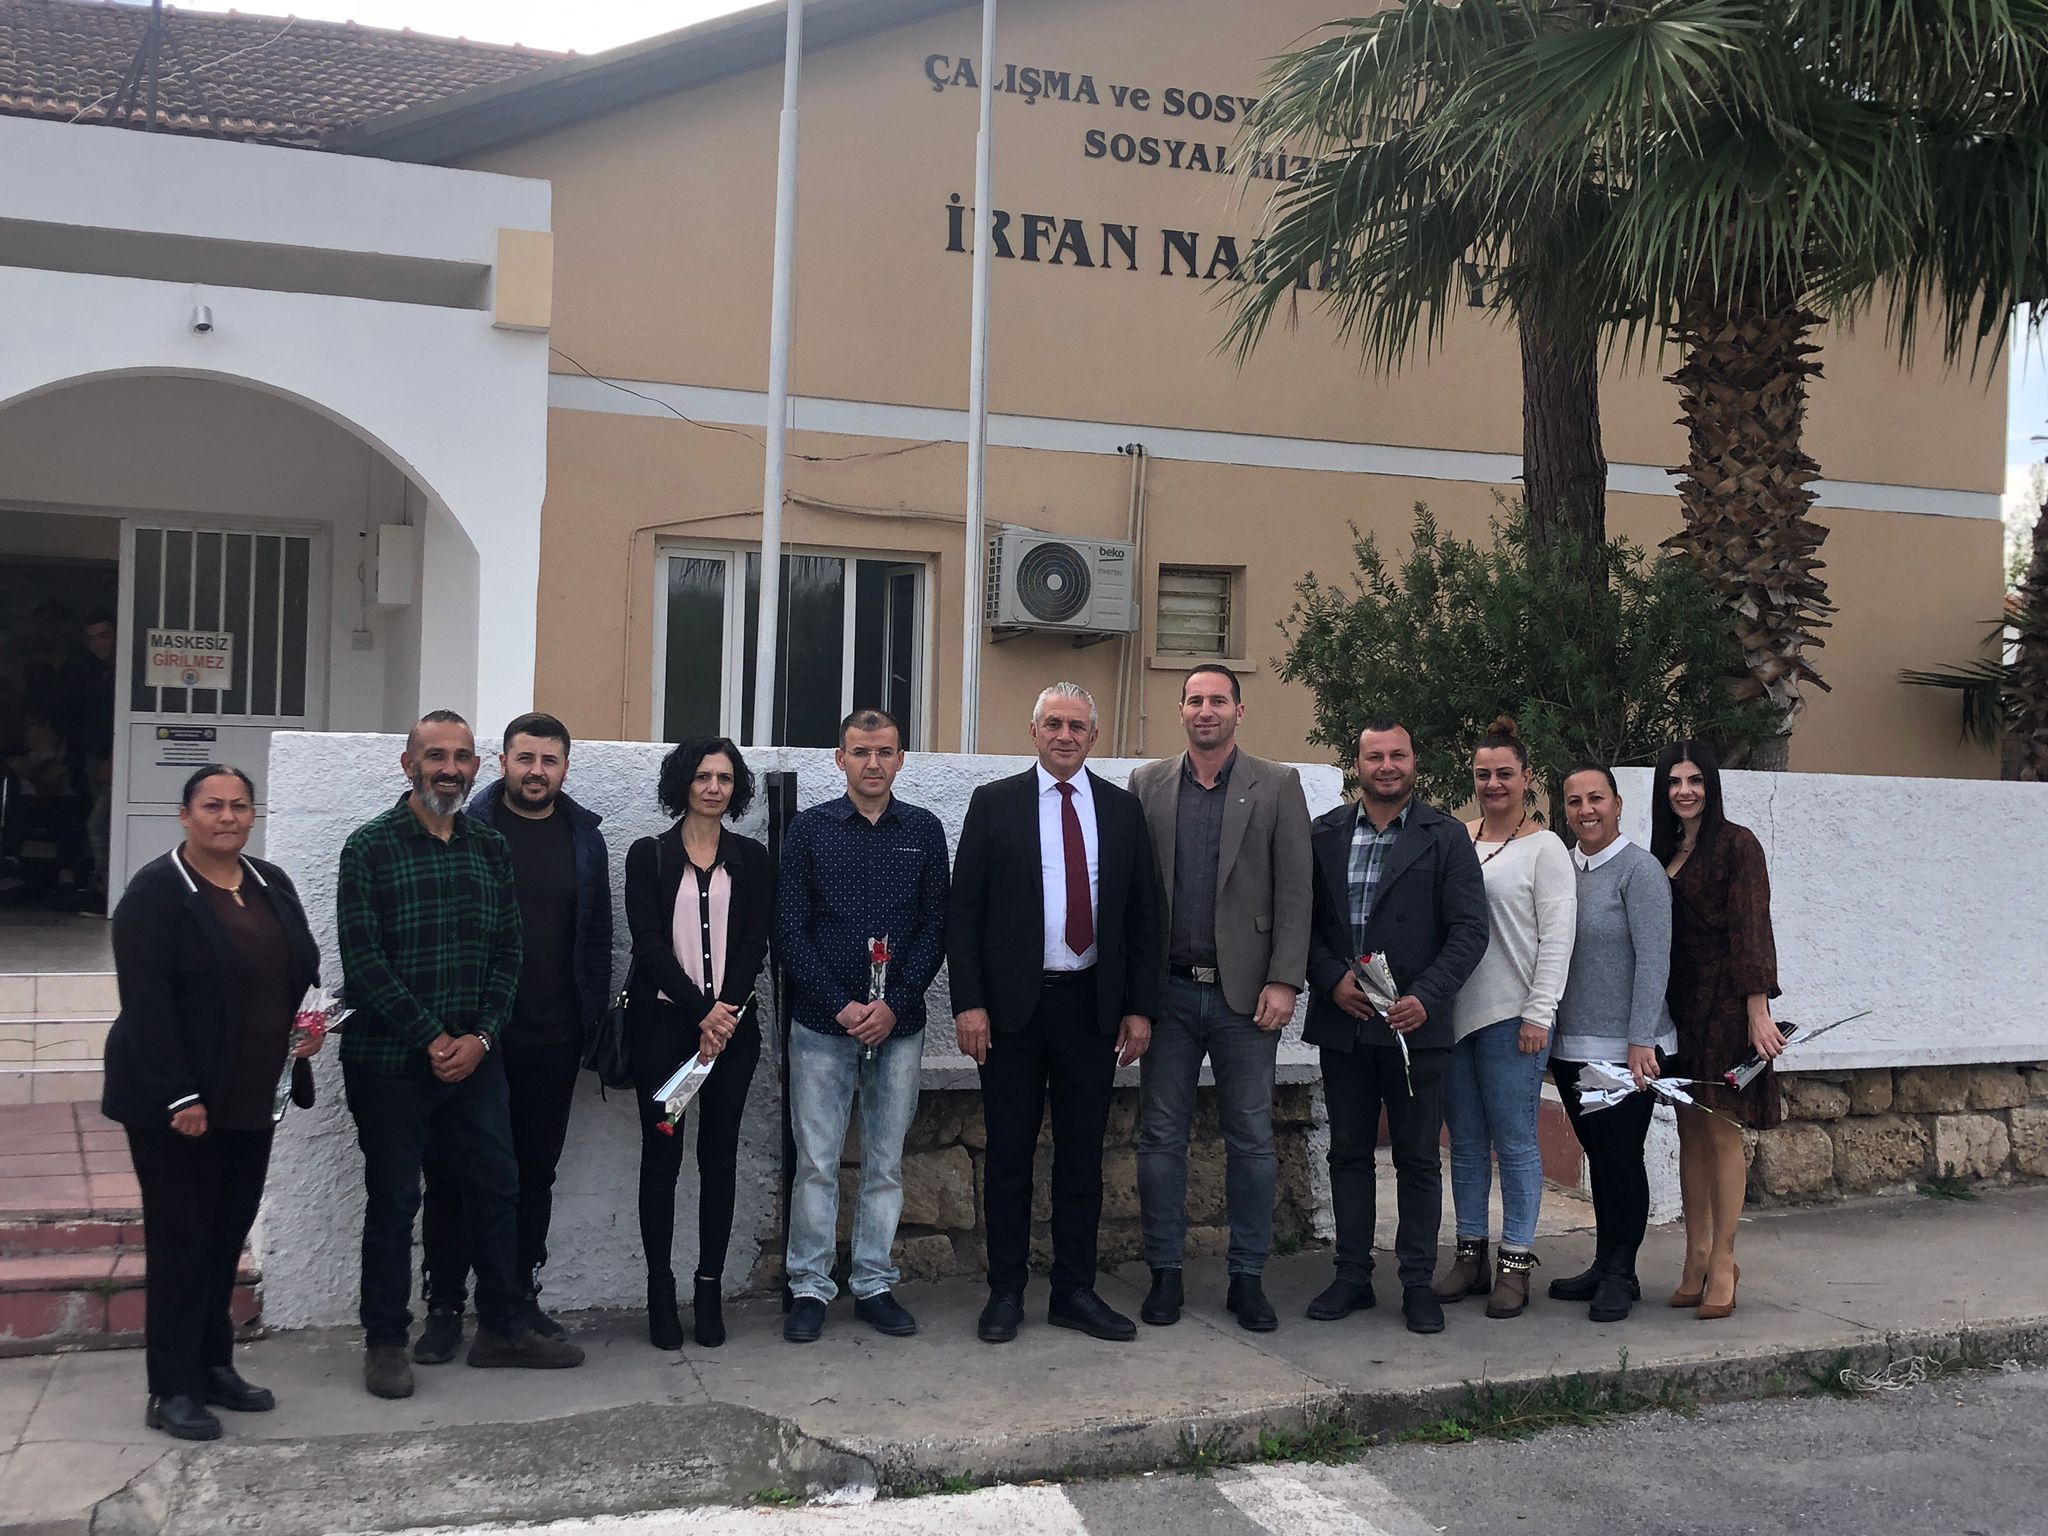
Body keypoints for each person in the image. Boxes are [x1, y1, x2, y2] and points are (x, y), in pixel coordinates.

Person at [338, 710, 585, 1400]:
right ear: (409, 764)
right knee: (395, 1201)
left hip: (477, 1061)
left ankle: (502, 1327)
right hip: (389, 1062)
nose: (448, 769)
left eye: (460, 757)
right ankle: (386, 1341)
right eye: (435, 756)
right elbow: (364, 961)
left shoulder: (489, 848)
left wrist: (479, 1037)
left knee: (499, 1187)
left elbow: (509, 951)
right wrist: (431, 1036)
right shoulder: (369, 847)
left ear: (477, 766)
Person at [101, 764, 324, 1442]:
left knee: (225, 1236)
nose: (227, 817)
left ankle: (213, 1367)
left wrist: (307, 1028)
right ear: (185, 815)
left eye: (239, 805)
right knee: (181, 1243)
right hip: (178, 1106)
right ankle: (170, 1388)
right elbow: (147, 1006)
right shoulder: (156, 893)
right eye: (212, 806)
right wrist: (181, 1095)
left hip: (251, 1095)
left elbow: (298, 969)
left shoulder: (270, 883)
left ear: (253, 815)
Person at [949, 682, 1159, 1345]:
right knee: (1009, 1155)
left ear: (1094, 737)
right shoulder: (994, 803)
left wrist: (1140, 1010)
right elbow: (964, 912)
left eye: (1077, 726)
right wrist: (969, 1003)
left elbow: (1144, 916)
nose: (1065, 735)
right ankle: (1005, 1292)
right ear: (1034, 732)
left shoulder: (1122, 810)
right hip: (1010, 1012)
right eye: (1053, 724)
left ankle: (1074, 1291)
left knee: (1081, 1158)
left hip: (1090, 1008)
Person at [415, 712, 613, 1363]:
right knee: (452, 1173)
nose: (536, 771)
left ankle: (517, 1302)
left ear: (565, 768)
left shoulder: (585, 838)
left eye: (549, 760)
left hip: (553, 1036)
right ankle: (445, 1305)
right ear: (501, 763)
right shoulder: (468, 826)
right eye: (525, 758)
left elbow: (596, 937)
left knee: (534, 1174)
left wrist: (590, 1021)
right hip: (476, 1037)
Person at [1128, 665, 1312, 1333]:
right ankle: (1165, 1275)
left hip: (1248, 997)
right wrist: (1134, 997)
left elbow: (1296, 890)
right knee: (1160, 1138)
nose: (1206, 710)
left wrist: (1285, 980)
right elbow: (1133, 894)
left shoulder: (1278, 784)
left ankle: (1248, 1278)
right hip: (1169, 993)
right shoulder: (1147, 784)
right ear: (1181, 710)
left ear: (1239, 710)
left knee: (1252, 1140)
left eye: (1218, 700)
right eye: (1195, 700)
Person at [1302, 718, 1488, 1335]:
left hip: (1415, 1027)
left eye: (1397, 755)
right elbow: (1301, 924)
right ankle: (1352, 1276)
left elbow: (1470, 931)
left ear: (1414, 762)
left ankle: (1416, 1284)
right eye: (1374, 756)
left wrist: (1427, 997)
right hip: (1346, 1022)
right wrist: (1330, 978)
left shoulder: (1445, 836)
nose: (1387, 766)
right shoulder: (1324, 833)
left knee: (1417, 1159)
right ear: (1357, 765)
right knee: (1348, 1154)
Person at [777, 708, 951, 1343]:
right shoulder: (809, 830)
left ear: (901, 759)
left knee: (885, 1163)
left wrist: (894, 1005)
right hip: (821, 1027)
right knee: (817, 1163)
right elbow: (789, 929)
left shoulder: (924, 830)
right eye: (860, 752)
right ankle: (808, 1287)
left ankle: (874, 1282)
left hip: (897, 1029)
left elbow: (936, 926)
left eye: (884, 752)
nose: (872, 763)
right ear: (840, 758)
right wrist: (841, 1006)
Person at [625, 736, 772, 1350]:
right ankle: (660, 1293)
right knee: (662, 1156)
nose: (714, 787)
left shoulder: (752, 859)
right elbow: (648, 944)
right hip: (665, 1034)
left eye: (725, 778)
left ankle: (708, 1289)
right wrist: (701, 1012)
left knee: (719, 1156)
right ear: (683, 782)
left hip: (731, 1037)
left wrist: (724, 1015)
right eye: (703, 776)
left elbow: (755, 942)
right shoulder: (650, 856)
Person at [1435, 717, 1576, 1318]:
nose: (1493, 784)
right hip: (1453, 1015)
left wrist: (1540, 1013)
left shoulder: (1546, 849)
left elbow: (1557, 938)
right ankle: (1470, 1255)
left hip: (1514, 1016)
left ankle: (1516, 1261)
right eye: (1483, 774)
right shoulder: (1455, 838)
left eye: (1505, 774)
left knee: (1514, 1142)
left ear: (1526, 778)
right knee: (1465, 1143)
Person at [1653, 739, 1782, 1322]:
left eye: (1695, 780)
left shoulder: (1738, 844)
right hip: (1678, 1004)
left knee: (1721, 1130)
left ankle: (1725, 1259)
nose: (1685, 791)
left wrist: (1758, 1009)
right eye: (1675, 781)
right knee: (1689, 1130)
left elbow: (1752, 928)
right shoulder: (1663, 850)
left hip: (1727, 1003)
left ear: (1711, 785)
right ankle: (1696, 1254)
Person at [1547, 763, 1677, 1323]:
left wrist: (1641, 1039)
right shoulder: (1563, 868)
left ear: (1618, 804)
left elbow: (1654, 961)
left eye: (1596, 798)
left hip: (1628, 1049)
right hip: (1571, 1047)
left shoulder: (1640, 872)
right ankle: (1605, 1263)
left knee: (1622, 1159)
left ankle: (1623, 1272)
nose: (1586, 810)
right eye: (1575, 801)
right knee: (1599, 1159)